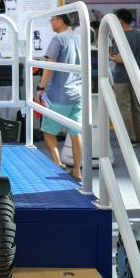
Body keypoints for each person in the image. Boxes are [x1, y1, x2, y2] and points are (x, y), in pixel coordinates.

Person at [36, 14, 83, 181]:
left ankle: (58, 164)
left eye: (53, 19)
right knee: (75, 133)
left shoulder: (58, 39)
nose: (51, 22)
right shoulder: (79, 38)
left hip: (59, 94)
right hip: (78, 94)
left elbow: (49, 65)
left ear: (61, 21)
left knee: (48, 132)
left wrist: (41, 88)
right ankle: (77, 171)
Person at [109, 9, 140, 145]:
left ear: (120, 20)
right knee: (136, 108)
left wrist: (110, 57)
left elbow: (120, 59)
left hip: (122, 77)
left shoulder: (118, 36)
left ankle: (130, 138)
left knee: (124, 108)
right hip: (138, 76)